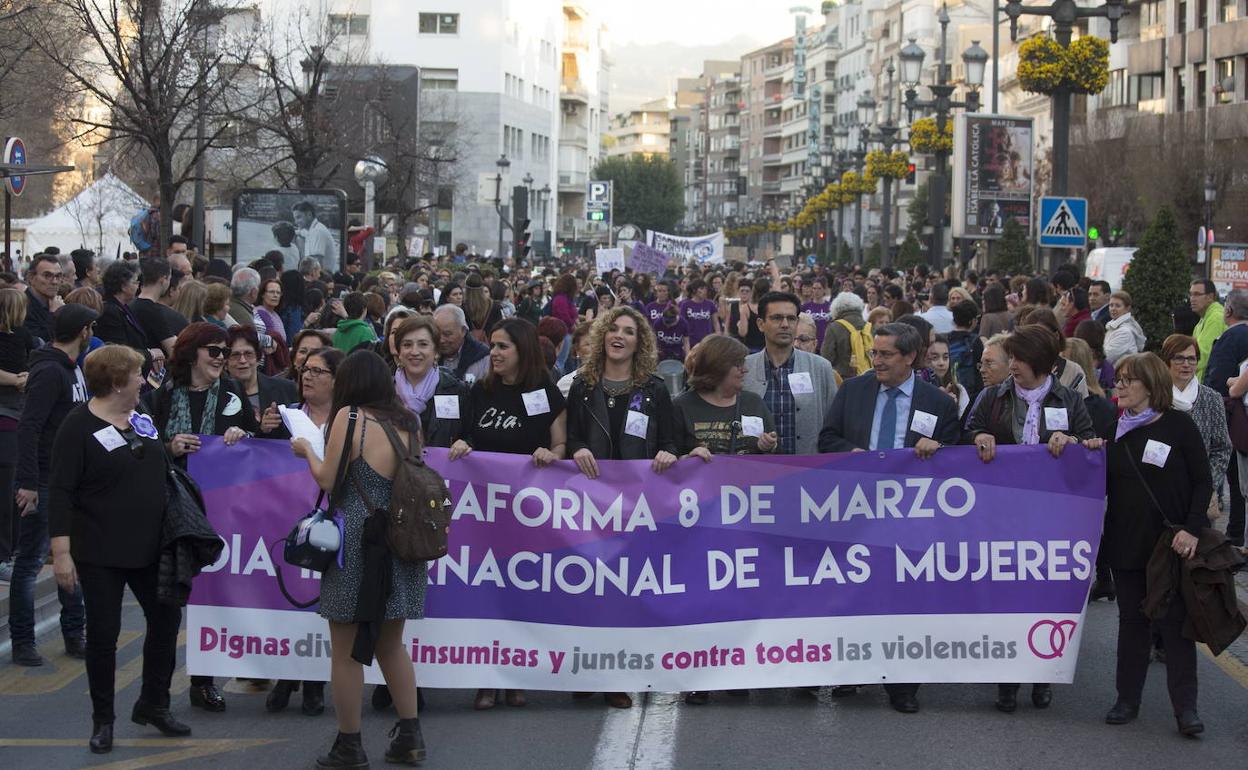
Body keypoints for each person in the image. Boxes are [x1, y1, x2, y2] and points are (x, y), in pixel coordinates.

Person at [49, 345, 190, 754]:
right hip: (100, 552)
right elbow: (60, 493)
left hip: (151, 546)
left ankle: (154, 703)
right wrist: (61, 553)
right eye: (138, 375)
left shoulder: (141, 416)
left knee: (166, 621)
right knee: (104, 637)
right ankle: (103, 720)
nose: (144, 381)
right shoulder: (77, 427)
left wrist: (171, 448)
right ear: (115, 383)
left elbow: (151, 458)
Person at [290, 351, 426, 768]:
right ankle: (410, 735)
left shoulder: (349, 418)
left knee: (345, 651)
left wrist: (306, 451)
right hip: (402, 544)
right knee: (391, 644)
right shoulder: (409, 422)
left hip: (356, 545)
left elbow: (329, 480)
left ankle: (349, 744)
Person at [817, 322, 961, 714]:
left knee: (905, 601)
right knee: (855, 594)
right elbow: (827, 438)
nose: (875, 361)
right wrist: (852, 453)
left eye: (884, 354)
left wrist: (942, 448)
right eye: (873, 353)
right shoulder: (854, 390)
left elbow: (957, 467)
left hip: (911, 519)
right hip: (856, 512)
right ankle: (851, 670)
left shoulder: (939, 404)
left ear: (910, 357)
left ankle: (903, 686)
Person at [964, 324, 1101, 713]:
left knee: (1046, 599)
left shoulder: (1070, 399)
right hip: (1002, 517)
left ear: (1040, 362)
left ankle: (1044, 676)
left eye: (1020, 359)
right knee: (1006, 599)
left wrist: (1073, 443)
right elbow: (968, 431)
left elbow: (1089, 443)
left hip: (1052, 519)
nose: (1013, 366)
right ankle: (1007, 682)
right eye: (1012, 358)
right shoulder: (993, 396)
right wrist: (978, 438)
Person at [449, 317, 567, 712]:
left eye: (502, 347)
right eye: (493, 346)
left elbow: (561, 442)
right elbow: (466, 435)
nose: (494, 353)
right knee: (486, 598)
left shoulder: (546, 393)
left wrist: (552, 455)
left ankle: (518, 677)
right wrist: (463, 445)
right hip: (484, 516)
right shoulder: (480, 391)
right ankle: (486, 678)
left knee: (523, 598)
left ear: (523, 350)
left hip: (529, 514)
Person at [565, 306, 677, 710]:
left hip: (637, 504)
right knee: (588, 590)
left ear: (639, 342)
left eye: (629, 331)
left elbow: (671, 439)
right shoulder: (581, 385)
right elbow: (572, 437)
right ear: (601, 336)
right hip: (589, 501)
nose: (619, 336)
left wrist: (666, 453)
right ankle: (587, 672)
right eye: (613, 328)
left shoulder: (655, 389)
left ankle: (617, 676)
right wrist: (576, 448)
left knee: (624, 591)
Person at [143, 321, 259, 713]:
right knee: (172, 600)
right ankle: (156, 692)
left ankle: (203, 682)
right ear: (192, 352)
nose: (222, 359)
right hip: (172, 510)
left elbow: (257, 442)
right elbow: (142, 446)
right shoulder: (161, 398)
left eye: (225, 353)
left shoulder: (232, 392)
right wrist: (169, 446)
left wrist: (241, 437)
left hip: (219, 509)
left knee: (213, 596)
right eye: (215, 351)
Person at [1102, 352, 1209, 736]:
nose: (1121, 386)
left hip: (1169, 545)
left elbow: (1203, 481)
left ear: (1151, 384)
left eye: (1129, 380)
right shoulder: (1113, 428)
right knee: (1133, 624)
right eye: (1119, 379)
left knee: (1174, 625)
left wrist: (1192, 529)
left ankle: (1187, 710)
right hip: (1125, 544)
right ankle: (1126, 699)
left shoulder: (1179, 426)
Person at [9, 304, 95, 666]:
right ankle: (23, 640)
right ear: (84, 332)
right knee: (30, 563)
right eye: (91, 327)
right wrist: (27, 482)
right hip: (43, 480)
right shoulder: (49, 372)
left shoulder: (74, 369)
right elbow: (28, 428)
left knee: (71, 558)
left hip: (69, 481)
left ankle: (74, 634)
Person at [742, 291, 837, 456]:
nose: (785, 324)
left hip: (807, 472)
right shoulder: (744, 368)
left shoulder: (820, 368)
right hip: (757, 473)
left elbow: (834, 424)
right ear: (760, 324)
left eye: (791, 318)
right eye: (777, 318)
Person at [392, 315, 470, 450]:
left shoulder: (457, 391)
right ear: (399, 352)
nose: (414, 351)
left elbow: (470, 434)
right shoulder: (384, 392)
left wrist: (466, 443)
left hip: (442, 470)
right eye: (407, 345)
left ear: (436, 352)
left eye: (423, 344)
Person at [0, 289, 33, 580]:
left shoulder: (23, 337)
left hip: (12, 415)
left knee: (10, 487)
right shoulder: (22, 337)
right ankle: (5, 555)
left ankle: (9, 553)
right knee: (8, 488)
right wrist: (18, 379)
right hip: (9, 416)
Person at [226, 325, 298, 433]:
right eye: (235, 355)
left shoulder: (286, 389)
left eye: (248, 354)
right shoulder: (218, 394)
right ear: (225, 362)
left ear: (258, 357)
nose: (242, 360)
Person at [433, 304, 490, 384]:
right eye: (437, 334)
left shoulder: (482, 357)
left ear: (463, 331)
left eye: (447, 334)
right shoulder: (429, 355)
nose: (441, 340)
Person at [821, 291, 870, 380]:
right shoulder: (868, 326)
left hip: (842, 379)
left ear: (836, 308)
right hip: (867, 376)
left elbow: (826, 358)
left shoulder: (834, 327)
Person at [22, 253, 64, 343]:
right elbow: (38, 342)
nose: (54, 281)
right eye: (47, 276)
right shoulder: (22, 306)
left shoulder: (58, 302)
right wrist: (53, 315)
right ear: (31, 277)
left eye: (58, 276)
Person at [1189, 280, 1225, 382]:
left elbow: (1202, 356)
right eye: (1191, 294)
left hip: (1210, 386)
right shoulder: (1202, 320)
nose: (1192, 299)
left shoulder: (1216, 318)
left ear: (1210, 297)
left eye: (1197, 294)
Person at [292, 201, 338, 274]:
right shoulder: (313, 229)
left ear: (309, 215)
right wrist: (295, 232)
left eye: (298, 217)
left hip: (321, 277)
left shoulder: (317, 232)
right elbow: (303, 233)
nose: (296, 222)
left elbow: (316, 264)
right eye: (295, 218)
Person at [928, 335, 969, 416]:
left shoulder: (959, 390)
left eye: (945, 357)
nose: (941, 363)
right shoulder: (918, 389)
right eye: (935, 357)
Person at [1104, 291, 1146, 364]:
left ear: (1127, 308)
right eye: (1111, 305)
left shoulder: (1125, 332)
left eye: (1117, 306)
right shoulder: (1113, 326)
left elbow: (1108, 356)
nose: (1113, 309)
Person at [727, 279, 765, 353]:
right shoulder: (732, 306)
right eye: (742, 291)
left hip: (751, 343)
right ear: (738, 291)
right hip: (735, 342)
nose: (744, 293)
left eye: (747, 291)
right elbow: (727, 325)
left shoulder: (755, 307)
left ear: (751, 292)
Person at [680, 279, 720, 347]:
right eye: (701, 288)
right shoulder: (685, 305)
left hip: (707, 341)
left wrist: (718, 337)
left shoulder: (710, 304)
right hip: (691, 341)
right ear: (694, 290)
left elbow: (715, 322)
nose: (704, 291)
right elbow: (682, 324)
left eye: (705, 288)